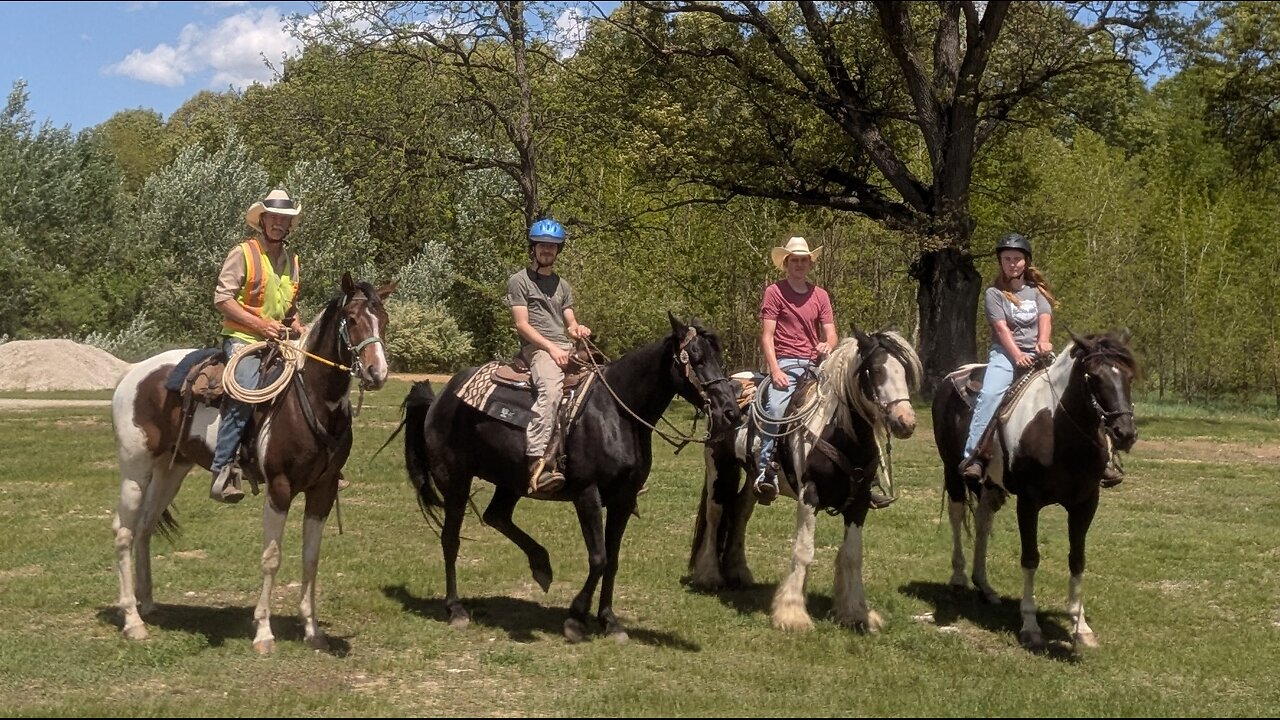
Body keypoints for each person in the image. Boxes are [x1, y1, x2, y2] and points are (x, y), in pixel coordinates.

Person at [753, 236, 897, 507]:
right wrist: (774, 370)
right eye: (794, 260)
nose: (799, 264)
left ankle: (867, 474)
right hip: (786, 362)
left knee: (855, 405)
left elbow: (832, 335)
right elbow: (767, 336)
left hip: (816, 364)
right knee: (774, 408)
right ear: (786, 263)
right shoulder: (774, 292)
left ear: (810, 263)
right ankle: (766, 470)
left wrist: (826, 346)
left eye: (803, 260)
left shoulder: (820, 295)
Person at [209, 189, 307, 503]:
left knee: (309, 387)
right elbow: (222, 299)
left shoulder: (292, 260)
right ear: (262, 220)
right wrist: (260, 325)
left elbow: (287, 306)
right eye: (274, 217)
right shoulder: (244, 252)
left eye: (285, 219)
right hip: (243, 339)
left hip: (278, 340)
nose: (279, 223)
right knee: (246, 390)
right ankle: (223, 468)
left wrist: (297, 324)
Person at [960, 232, 1057, 481]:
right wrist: (1016, 356)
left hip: (1037, 354)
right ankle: (974, 456)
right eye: (1007, 259)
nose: (1012, 263)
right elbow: (1001, 329)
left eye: (1017, 258)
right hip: (1006, 353)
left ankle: (1101, 456)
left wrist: (1043, 342)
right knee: (990, 394)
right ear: (1001, 263)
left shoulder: (1038, 292)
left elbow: (1045, 319)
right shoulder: (995, 293)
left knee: (1074, 385)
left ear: (1026, 261)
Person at [506, 217, 591, 494]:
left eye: (552, 247)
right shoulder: (519, 281)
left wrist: (578, 329)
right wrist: (551, 348)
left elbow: (569, 321)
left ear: (558, 250)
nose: (547, 250)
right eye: (542, 245)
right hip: (538, 350)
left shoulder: (562, 285)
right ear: (533, 248)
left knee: (602, 385)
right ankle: (537, 462)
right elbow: (522, 324)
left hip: (565, 347)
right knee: (551, 391)